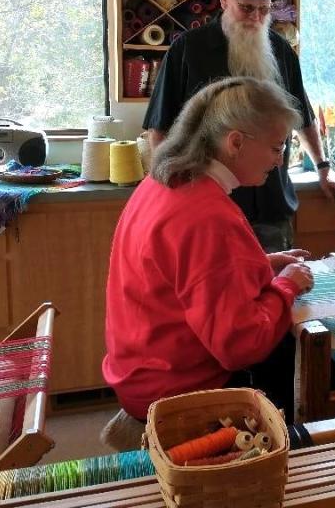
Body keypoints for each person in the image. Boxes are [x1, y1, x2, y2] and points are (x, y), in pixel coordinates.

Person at [103, 77, 314, 442]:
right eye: (277, 147)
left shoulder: (163, 183)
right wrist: (286, 287)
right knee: (296, 363)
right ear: (235, 143)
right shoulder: (207, 214)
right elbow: (239, 345)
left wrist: (262, 264)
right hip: (174, 392)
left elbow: (186, 277)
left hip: (140, 373)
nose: (279, 161)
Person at [143, 0, 335, 252]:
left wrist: (324, 167)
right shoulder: (187, 50)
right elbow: (160, 128)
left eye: (264, 10)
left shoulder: (282, 51)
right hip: (206, 207)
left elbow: (303, 118)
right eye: (247, 8)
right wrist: (168, 189)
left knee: (277, 290)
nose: (256, 18)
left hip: (271, 207)